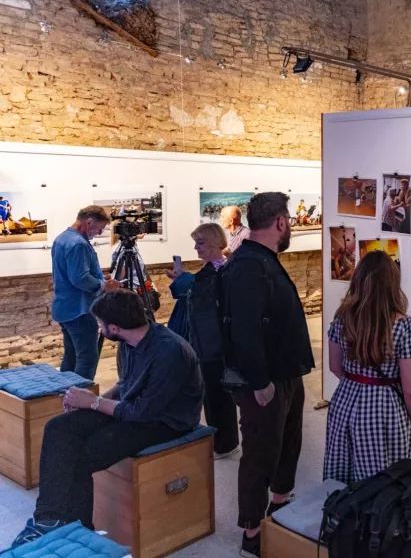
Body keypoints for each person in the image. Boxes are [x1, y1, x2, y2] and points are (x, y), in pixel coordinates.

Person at [7, 290, 203, 549]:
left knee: (82, 455)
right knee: (59, 427)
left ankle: (79, 529)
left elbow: (141, 414)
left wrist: (94, 403)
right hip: (136, 410)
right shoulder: (129, 342)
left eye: (100, 324)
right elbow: (126, 386)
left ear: (114, 327)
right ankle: (49, 520)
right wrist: (90, 404)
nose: (99, 328)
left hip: (166, 422)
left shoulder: (169, 352)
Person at [221, 192, 315, 557]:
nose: (289, 225)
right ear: (279, 222)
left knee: (287, 444)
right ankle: (252, 533)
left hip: (285, 375)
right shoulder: (248, 266)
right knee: (260, 454)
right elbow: (244, 331)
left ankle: (280, 505)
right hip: (265, 382)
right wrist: (260, 382)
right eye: (288, 220)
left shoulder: (262, 260)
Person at [325, 251, 411, 484]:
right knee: (384, 484)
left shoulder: (342, 319)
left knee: (343, 477)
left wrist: (357, 382)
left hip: (344, 402)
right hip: (384, 408)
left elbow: (334, 366)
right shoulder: (405, 325)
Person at [167, 223, 240, 459]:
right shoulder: (213, 269)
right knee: (213, 393)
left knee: (217, 395)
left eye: (200, 243)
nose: (195, 248)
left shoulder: (220, 271)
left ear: (213, 244)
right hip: (208, 342)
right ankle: (222, 441)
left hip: (214, 344)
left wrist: (184, 279)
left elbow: (205, 294)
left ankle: (224, 443)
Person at [51, 206, 121, 381]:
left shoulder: (62, 239)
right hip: (79, 310)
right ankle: (81, 402)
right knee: (87, 358)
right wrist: (104, 286)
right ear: (89, 222)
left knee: (71, 355)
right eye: (100, 228)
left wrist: (98, 278)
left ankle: (65, 396)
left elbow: (73, 274)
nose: (99, 232)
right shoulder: (78, 244)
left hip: (65, 308)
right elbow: (80, 279)